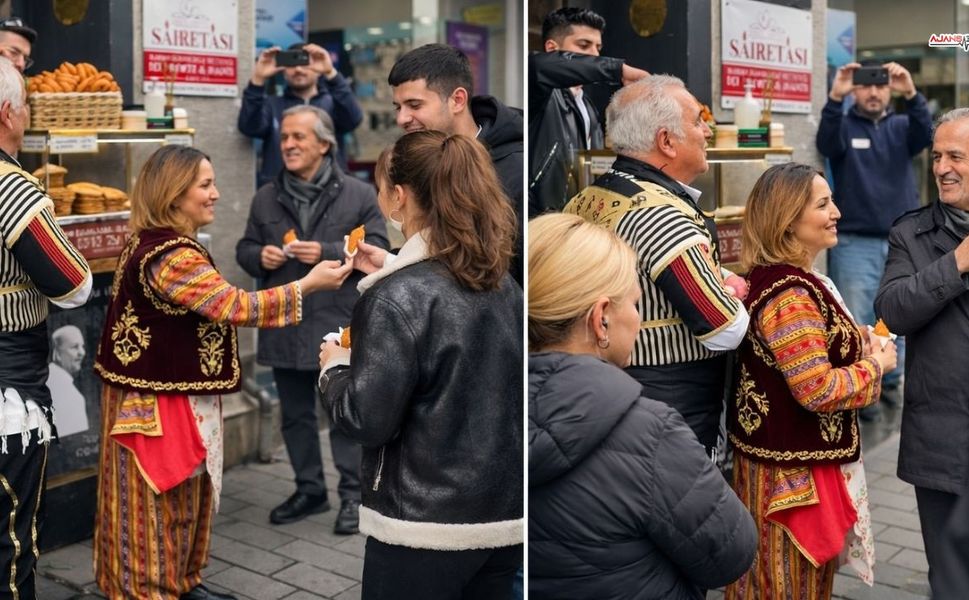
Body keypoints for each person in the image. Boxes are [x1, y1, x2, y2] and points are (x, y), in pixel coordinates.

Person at [93, 145, 354, 600]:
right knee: (155, 501)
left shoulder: (165, 241)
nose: (215, 194)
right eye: (205, 185)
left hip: (173, 389)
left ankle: (183, 582)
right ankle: (151, 591)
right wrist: (307, 285)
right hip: (152, 400)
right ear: (174, 194)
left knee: (188, 494)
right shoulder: (170, 255)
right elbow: (231, 305)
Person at [318, 131, 522, 599]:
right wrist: (394, 264)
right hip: (503, 519)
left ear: (400, 196)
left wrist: (335, 368)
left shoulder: (395, 300)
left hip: (422, 527)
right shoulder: (500, 281)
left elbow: (367, 418)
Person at [528, 213, 757, 599]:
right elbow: (731, 553)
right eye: (636, 304)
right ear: (601, 319)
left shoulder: (487, 404)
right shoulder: (648, 432)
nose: (638, 321)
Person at [725, 163, 898, 600]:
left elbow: (805, 350)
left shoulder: (784, 281)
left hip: (785, 466)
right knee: (785, 585)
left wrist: (858, 338)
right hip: (791, 482)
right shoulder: (792, 294)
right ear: (787, 220)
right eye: (823, 204)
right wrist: (876, 366)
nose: (836, 212)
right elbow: (816, 389)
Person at [564, 75, 749, 460]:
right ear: (666, 141)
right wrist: (730, 289)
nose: (707, 130)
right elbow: (724, 327)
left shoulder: (586, 198)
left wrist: (716, 276)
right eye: (698, 121)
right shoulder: (661, 215)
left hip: (594, 392)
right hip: (668, 407)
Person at [236, 105, 387, 533]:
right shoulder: (266, 195)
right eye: (284, 137)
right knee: (296, 416)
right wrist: (257, 255)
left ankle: (353, 497)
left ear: (324, 144)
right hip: (285, 322)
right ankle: (309, 490)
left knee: (343, 412)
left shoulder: (358, 194)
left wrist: (324, 251)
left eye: (299, 137)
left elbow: (376, 245)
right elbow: (244, 248)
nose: (288, 145)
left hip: (336, 322)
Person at [0, 56, 91, 599]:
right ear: (8, 113)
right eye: (26, 104)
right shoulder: (13, 189)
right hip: (7, 378)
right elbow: (74, 285)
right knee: (8, 535)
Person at [874, 107, 969, 596]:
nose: (942, 167)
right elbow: (893, 309)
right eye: (937, 156)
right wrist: (956, 261)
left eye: (956, 155)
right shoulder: (910, 233)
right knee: (952, 579)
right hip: (945, 436)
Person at [815, 60, 932, 420]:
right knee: (858, 318)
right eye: (865, 85)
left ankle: (893, 383)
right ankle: (864, 392)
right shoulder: (844, 126)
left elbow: (926, 135)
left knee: (901, 314)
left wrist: (911, 91)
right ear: (855, 90)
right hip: (855, 243)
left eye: (881, 85)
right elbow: (824, 142)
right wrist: (836, 96)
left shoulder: (902, 126)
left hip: (903, 240)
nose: (874, 91)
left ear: (889, 91)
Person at [388, 42, 524, 285]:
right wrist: (391, 262)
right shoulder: (422, 162)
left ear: (458, 100)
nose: (402, 119)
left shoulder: (516, 170)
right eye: (398, 107)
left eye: (415, 105)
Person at [528, 7, 648, 216]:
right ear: (552, 49)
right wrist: (616, 70)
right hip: (543, 223)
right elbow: (538, 66)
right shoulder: (542, 92)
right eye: (584, 45)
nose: (595, 54)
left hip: (582, 220)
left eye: (598, 47)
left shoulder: (588, 107)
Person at [238, 42, 363, 187]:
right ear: (283, 71)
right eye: (292, 63)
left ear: (317, 69)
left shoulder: (334, 103)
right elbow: (248, 127)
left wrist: (331, 73)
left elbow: (354, 119)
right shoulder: (271, 105)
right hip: (281, 192)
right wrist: (258, 79)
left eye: (304, 63)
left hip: (331, 190)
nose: (298, 69)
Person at [47, 324, 89, 437]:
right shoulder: (71, 396)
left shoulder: (47, 379)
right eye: (75, 347)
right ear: (58, 353)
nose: (82, 352)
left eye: (82, 346)